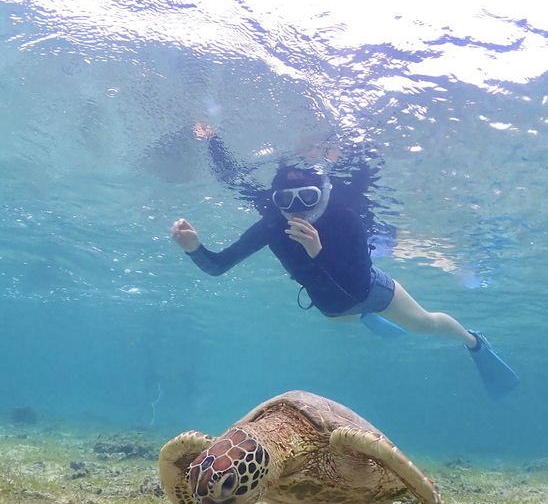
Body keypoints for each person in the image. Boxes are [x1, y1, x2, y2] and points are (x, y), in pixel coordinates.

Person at [171, 134, 519, 398]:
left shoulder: (344, 218)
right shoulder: (271, 225)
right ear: (275, 202)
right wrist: (194, 248)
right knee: (343, 317)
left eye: (307, 198)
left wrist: (317, 250)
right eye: (286, 201)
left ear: (321, 193)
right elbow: (217, 266)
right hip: (331, 306)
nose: (297, 209)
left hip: (373, 292)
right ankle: (365, 320)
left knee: (424, 323)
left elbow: (356, 284)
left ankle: (474, 343)